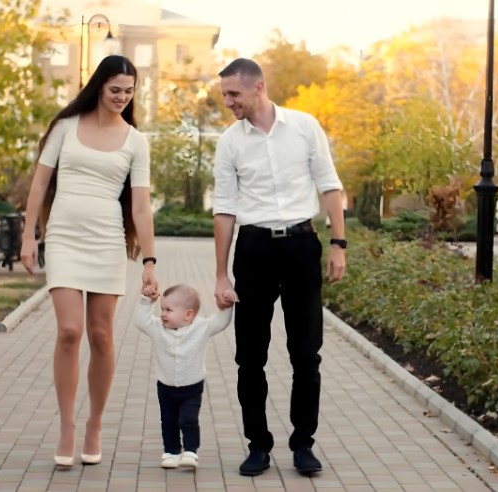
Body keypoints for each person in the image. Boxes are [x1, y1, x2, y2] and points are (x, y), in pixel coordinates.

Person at [20, 55, 158, 468]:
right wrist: (29, 235)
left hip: (106, 242)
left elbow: (141, 208)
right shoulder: (65, 128)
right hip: (63, 237)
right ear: (99, 86)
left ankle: (94, 423)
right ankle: (66, 426)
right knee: (69, 330)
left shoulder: (136, 141)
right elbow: (40, 183)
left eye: (129, 91)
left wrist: (149, 260)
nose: (122, 97)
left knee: (101, 336)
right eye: (115, 89)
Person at [211, 58, 347, 477]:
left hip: (302, 246)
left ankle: (303, 444)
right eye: (224, 95)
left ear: (259, 87)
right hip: (253, 251)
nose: (228, 102)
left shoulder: (304, 127)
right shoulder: (230, 142)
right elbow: (224, 209)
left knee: (306, 353)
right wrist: (221, 273)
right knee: (249, 356)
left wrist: (338, 244)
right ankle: (258, 446)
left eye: (234, 94)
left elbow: (329, 184)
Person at [134, 284, 236, 470]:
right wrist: (146, 300)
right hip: (165, 387)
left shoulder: (201, 327)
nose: (163, 314)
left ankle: (190, 450)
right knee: (168, 420)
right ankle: (171, 451)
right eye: (162, 309)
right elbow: (141, 320)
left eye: (169, 310)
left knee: (188, 419)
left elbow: (220, 322)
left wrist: (227, 306)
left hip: (192, 387)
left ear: (188, 314)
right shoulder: (157, 327)